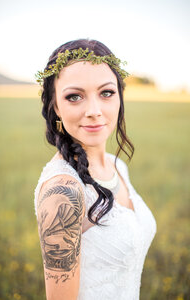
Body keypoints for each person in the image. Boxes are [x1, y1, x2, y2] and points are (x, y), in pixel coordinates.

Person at [34, 38, 157, 300]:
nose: (94, 111)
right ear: (56, 106)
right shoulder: (62, 192)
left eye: (106, 93)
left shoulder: (118, 165)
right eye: (74, 96)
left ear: (120, 98)